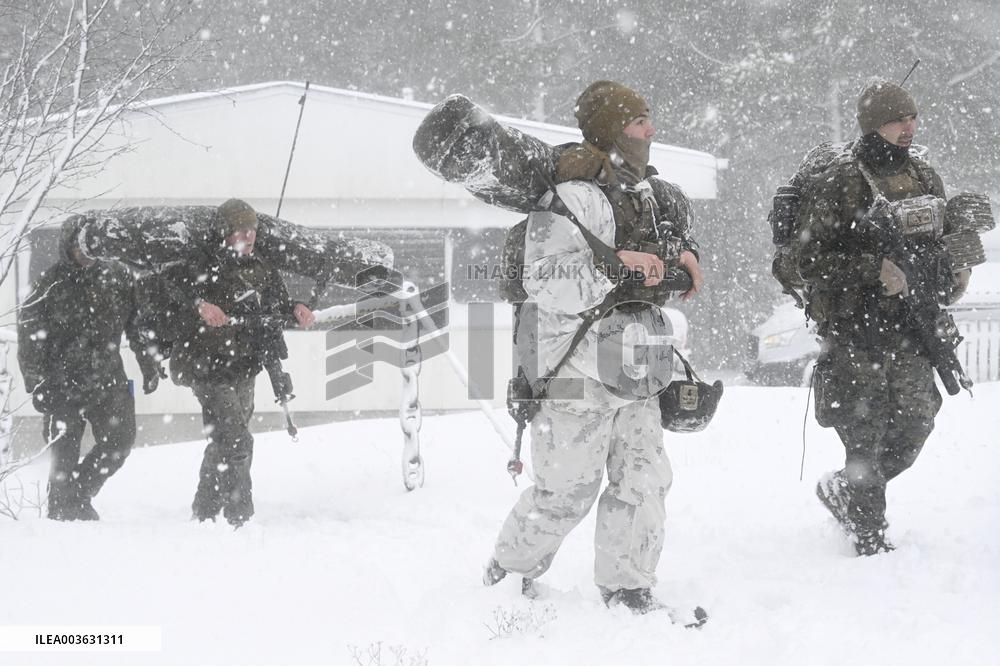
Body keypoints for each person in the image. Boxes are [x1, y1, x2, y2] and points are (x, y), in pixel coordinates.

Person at [484, 81, 703, 614]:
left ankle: (629, 589)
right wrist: (619, 265)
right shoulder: (575, 195)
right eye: (637, 123)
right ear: (610, 130)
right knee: (565, 494)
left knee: (644, 482)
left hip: (640, 359)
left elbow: (665, 253)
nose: (650, 130)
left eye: (648, 118)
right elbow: (545, 280)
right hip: (573, 367)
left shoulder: (651, 194)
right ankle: (505, 580)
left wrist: (685, 256)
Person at [796, 79, 970, 556]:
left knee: (917, 422)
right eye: (898, 120)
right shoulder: (844, 180)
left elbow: (939, 240)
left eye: (913, 118)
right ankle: (869, 536)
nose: (909, 128)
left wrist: (955, 266)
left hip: (913, 327)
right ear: (874, 125)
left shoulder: (923, 176)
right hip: (857, 330)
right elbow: (803, 261)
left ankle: (846, 492)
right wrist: (873, 270)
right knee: (864, 433)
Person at [165, 199, 315, 527]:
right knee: (237, 439)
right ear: (225, 232)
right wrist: (201, 305)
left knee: (226, 439)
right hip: (205, 365)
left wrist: (297, 308)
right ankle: (240, 518)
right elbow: (170, 289)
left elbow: (278, 301)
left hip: (244, 364)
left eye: (253, 230)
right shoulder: (201, 262)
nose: (249, 236)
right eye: (241, 230)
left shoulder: (260, 265)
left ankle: (204, 512)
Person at [17, 218, 162, 521]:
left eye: (91, 245)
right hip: (62, 383)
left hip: (108, 379)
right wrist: (37, 383)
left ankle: (79, 494)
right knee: (63, 457)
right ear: (67, 246)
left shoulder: (119, 278)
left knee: (120, 442)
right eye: (79, 245)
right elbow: (30, 337)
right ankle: (61, 516)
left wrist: (149, 365)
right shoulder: (50, 284)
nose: (86, 252)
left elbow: (138, 326)